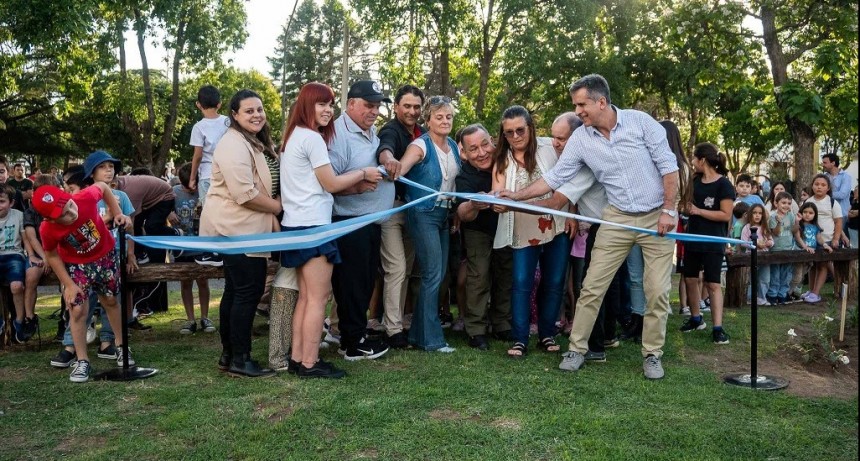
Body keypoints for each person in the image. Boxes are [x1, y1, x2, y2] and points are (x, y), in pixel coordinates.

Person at [502, 74, 679, 379]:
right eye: (575, 105)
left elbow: (669, 167)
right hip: (617, 217)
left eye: (581, 104)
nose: (578, 110)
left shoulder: (641, 123)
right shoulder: (582, 138)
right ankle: (576, 349)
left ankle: (652, 354)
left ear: (601, 101)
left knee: (657, 291)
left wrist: (668, 210)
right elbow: (555, 178)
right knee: (592, 286)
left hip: (655, 217)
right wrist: (515, 195)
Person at [281, 82, 383, 377]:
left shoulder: (294, 137)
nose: (327, 111)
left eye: (330, 105)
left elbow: (318, 186)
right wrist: (363, 172)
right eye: (321, 104)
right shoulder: (311, 138)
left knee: (306, 297)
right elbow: (330, 183)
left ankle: (299, 358)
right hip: (314, 226)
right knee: (318, 298)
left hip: (297, 224)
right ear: (306, 106)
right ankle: (311, 363)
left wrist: (356, 184)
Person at [200, 89, 282, 378]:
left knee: (236, 292)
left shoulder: (250, 141)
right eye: (249, 111)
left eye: (259, 109)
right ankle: (241, 359)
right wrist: (278, 206)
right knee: (246, 292)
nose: (257, 115)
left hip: (245, 229)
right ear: (234, 115)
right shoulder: (233, 143)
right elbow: (244, 193)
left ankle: (230, 355)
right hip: (238, 228)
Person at [32, 183, 134, 383]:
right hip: (77, 266)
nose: (71, 213)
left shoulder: (85, 198)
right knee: (77, 310)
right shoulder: (47, 229)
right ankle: (82, 360)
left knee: (111, 301)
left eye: (69, 204)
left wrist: (118, 212)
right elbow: (51, 254)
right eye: (63, 214)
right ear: (49, 219)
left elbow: (104, 187)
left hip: (106, 256)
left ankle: (121, 346)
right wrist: (68, 284)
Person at [491, 105, 570, 358]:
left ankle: (547, 334)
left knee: (555, 280)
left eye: (520, 130)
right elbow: (497, 193)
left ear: (531, 128)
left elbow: (571, 178)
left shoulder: (550, 147)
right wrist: (497, 203)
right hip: (522, 227)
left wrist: (574, 212)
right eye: (509, 133)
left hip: (557, 222)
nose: (515, 137)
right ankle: (519, 339)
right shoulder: (502, 159)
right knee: (522, 282)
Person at [327, 80, 393, 362]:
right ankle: (352, 343)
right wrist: (356, 186)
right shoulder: (338, 136)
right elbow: (327, 182)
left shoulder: (369, 131)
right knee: (352, 285)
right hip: (349, 222)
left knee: (365, 282)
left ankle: (356, 334)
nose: (374, 111)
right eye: (368, 105)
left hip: (370, 221)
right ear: (350, 103)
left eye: (377, 105)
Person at [395, 95, 461, 352]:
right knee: (433, 274)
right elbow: (401, 168)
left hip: (444, 215)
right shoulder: (420, 145)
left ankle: (417, 336)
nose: (445, 121)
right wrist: (391, 166)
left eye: (448, 116)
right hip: (423, 213)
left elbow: (452, 183)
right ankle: (432, 340)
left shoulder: (453, 146)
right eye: (439, 117)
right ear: (428, 120)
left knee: (438, 274)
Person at [375, 84, 426, 348]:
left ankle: (395, 322)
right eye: (407, 106)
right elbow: (385, 148)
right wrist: (389, 160)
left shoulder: (422, 134)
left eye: (417, 106)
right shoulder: (391, 129)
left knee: (405, 270)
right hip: (391, 209)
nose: (412, 111)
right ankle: (392, 330)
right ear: (396, 107)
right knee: (396, 268)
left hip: (414, 211)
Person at [455, 124, 512, 350]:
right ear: (465, 153)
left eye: (485, 144)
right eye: (474, 149)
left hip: (507, 226)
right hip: (478, 230)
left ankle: (502, 324)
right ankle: (476, 330)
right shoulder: (464, 176)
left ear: (492, 140)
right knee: (478, 277)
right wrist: (473, 204)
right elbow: (461, 213)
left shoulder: (508, 160)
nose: (481, 153)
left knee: (505, 275)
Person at [678, 143, 734, 344]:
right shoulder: (694, 181)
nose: (692, 163)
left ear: (702, 160)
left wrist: (698, 211)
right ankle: (695, 318)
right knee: (691, 279)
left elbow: (726, 214)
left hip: (713, 241)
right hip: (692, 238)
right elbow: (686, 206)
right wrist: (685, 208)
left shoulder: (724, 185)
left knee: (713, 283)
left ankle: (718, 328)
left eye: (694, 158)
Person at [172, 162, 214, 335]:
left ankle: (205, 317)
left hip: (201, 243)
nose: (190, 189)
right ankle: (190, 319)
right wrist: (168, 212)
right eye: (186, 186)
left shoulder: (205, 190)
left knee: (203, 280)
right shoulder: (174, 192)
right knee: (185, 282)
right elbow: (161, 206)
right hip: (182, 245)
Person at [799, 174, 843, 303]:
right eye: (817, 184)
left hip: (826, 239)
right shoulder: (808, 202)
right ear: (812, 186)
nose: (819, 187)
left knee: (822, 265)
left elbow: (838, 221)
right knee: (812, 265)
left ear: (828, 188)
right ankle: (811, 290)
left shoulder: (832, 202)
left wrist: (836, 238)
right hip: (811, 240)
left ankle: (816, 293)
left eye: (823, 185)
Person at [0, 185, 35, 343]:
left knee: (16, 286)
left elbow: (26, 239)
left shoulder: (18, 216)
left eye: (2, 201)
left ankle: (19, 321)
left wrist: (32, 255)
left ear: (11, 203)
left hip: (14, 255)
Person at [189, 85, 230, 205]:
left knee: (209, 214)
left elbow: (198, 156)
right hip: (228, 173)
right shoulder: (228, 121)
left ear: (198, 104)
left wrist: (192, 178)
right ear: (219, 104)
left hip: (208, 174)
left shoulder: (198, 127)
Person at [794, 202, 834, 304]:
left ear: (815, 215)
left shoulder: (815, 226)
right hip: (801, 251)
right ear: (801, 212)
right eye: (805, 212)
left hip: (812, 252)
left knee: (807, 270)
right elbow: (798, 237)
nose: (807, 214)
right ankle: (792, 292)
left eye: (811, 213)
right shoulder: (800, 225)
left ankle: (813, 292)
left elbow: (819, 238)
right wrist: (805, 247)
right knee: (798, 274)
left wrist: (825, 245)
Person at [741, 204, 774, 306]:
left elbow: (771, 241)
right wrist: (755, 244)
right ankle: (750, 298)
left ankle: (761, 298)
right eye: (755, 213)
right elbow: (743, 242)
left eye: (760, 213)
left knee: (764, 279)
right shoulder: (747, 227)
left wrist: (768, 243)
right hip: (751, 257)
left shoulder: (764, 227)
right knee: (751, 279)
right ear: (750, 214)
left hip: (764, 258)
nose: (757, 215)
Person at [768, 191, 796, 304]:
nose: (786, 205)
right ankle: (772, 294)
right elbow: (776, 233)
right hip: (776, 249)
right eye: (783, 202)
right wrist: (779, 222)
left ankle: (782, 294)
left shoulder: (791, 215)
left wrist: (798, 221)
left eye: (789, 203)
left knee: (786, 274)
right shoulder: (772, 216)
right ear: (776, 203)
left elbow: (793, 230)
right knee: (775, 274)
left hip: (788, 248)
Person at [821, 153, 852, 236]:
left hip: (841, 214)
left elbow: (842, 194)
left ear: (833, 163)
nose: (822, 165)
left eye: (825, 163)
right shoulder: (824, 176)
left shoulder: (846, 176)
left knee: (840, 239)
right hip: (827, 213)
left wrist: (825, 193)